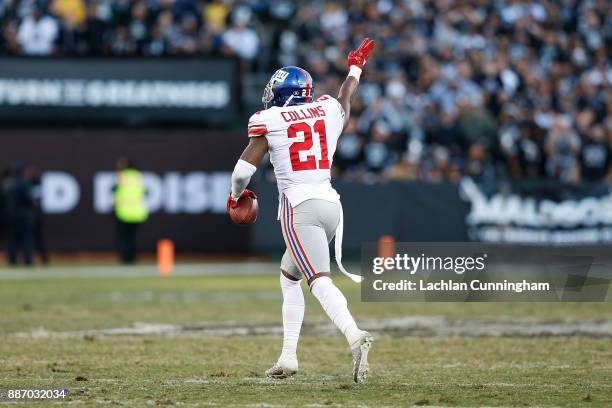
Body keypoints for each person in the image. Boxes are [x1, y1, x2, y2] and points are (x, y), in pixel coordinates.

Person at [227, 38, 376, 382]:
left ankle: (355, 336)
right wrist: (356, 67)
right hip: (330, 206)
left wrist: (237, 196)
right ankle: (288, 357)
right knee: (289, 277)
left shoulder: (272, 119)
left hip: (300, 208)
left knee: (318, 280)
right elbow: (346, 97)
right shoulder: (326, 109)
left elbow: (241, 172)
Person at [113, 158, 148, 264]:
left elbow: (118, 193)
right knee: (132, 238)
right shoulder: (138, 176)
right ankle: (132, 259)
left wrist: (115, 205)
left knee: (124, 238)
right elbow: (142, 192)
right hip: (137, 212)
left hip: (124, 212)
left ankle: (125, 259)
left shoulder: (121, 176)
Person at [4, 163, 35, 266]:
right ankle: (28, 260)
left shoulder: (6, 184)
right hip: (23, 216)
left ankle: (12, 260)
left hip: (9, 216)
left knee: (12, 240)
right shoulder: (24, 184)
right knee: (26, 239)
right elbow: (29, 201)